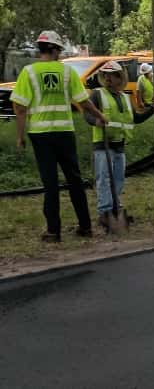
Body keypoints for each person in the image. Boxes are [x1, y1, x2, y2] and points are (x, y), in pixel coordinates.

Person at [10, 31, 108, 242]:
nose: (60, 55)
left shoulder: (28, 72)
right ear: (54, 50)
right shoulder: (67, 72)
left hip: (40, 134)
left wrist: (20, 136)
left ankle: (53, 231)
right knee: (74, 179)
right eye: (59, 51)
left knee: (50, 182)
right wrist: (100, 115)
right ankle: (85, 226)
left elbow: (19, 107)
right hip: (64, 133)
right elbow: (83, 101)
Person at [84, 61, 153, 231]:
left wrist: (153, 109)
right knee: (103, 179)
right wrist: (95, 120)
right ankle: (104, 212)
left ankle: (115, 208)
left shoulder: (125, 97)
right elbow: (87, 114)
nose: (108, 78)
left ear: (119, 77)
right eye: (105, 75)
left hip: (119, 144)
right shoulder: (97, 95)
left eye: (112, 75)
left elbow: (135, 119)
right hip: (103, 143)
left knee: (118, 178)